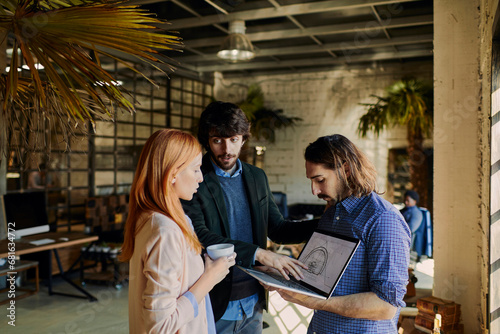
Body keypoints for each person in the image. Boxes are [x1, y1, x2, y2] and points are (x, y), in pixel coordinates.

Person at [181, 101, 318, 334]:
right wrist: (260, 253)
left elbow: (278, 229)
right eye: (217, 141)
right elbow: (200, 235)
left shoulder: (257, 176)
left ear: (244, 138)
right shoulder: (193, 177)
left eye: (233, 139)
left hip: (254, 299)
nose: (226, 149)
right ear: (207, 141)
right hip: (214, 298)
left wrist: (324, 223)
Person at [266, 134, 411, 333]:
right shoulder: (332, 212)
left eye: (320, 180)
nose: (314, 191)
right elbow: (322, 276)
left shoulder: (383, 220)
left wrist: (314, 302)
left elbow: (385, 306)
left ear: (346, 170)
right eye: (311, 181)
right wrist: (281, 277)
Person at [120, 129, 236, 334]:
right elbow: (160, 325)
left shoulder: (153, 219)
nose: (201, 178)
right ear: (173, 173)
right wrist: (209, 278)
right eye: (195, 170)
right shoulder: (164, 231)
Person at [401, 190, 424, 255]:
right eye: (405, 200)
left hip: (409, 246)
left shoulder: (417, 213)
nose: (405, 202)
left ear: (414, 201)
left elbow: (410, 228)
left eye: (408, 200)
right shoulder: (402, 211)